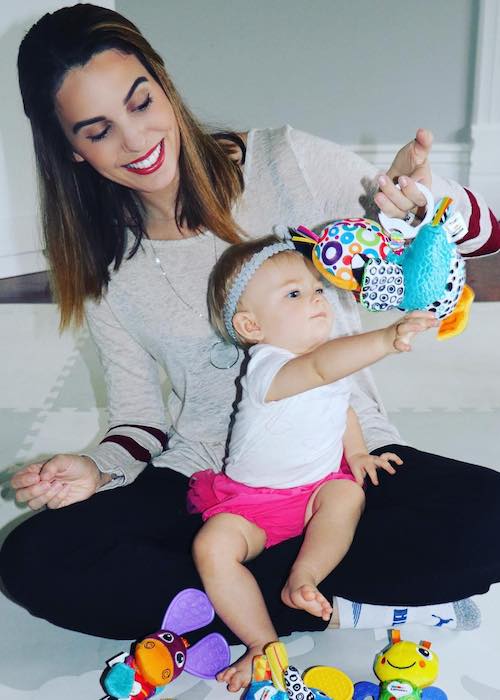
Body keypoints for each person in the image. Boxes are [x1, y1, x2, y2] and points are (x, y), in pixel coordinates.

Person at [1, 3, 499, 646]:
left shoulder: (279, 160)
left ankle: (227, 600)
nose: (136, 140)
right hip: (207, 482)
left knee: (487, 521)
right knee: (32, 560)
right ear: (70, 149)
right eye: (98, 130)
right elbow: (139, 422)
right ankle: (303, 594)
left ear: (163, 82)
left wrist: (427, 205)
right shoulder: (107, 267)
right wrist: (95, 470)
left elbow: (480, 242)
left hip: (342, 466)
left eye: (141, 102)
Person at [189, 234, 438, 690]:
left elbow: (341, 407)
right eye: (294, 293)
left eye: (318, 289)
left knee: (346, 493)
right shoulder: (268, 364)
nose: (317, 299)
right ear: (251, 326)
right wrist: (385, 338)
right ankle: (264, 645)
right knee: (212, 547)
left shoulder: (324, 361)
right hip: (250, 506)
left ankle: (304, 577)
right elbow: (322, 369)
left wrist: (358, 453)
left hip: (314, 492)